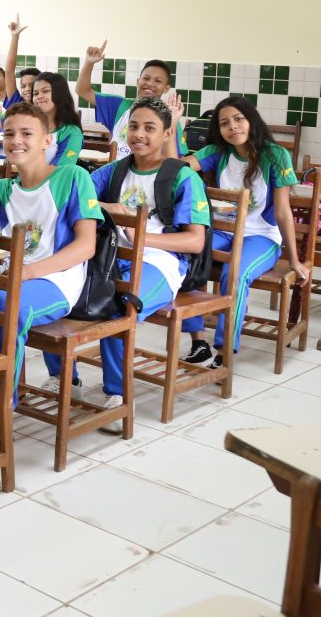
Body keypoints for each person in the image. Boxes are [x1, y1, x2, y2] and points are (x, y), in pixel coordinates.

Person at [0, 101, 101, 457]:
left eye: (27, 133)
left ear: (47, 141)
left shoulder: (73, 178)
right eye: (9, 133)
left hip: (56, 282)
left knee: (5, 306)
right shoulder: (5, 188)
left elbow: (86, 246)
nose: (16, 141)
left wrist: (27, 271)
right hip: (11, 276)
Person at [88, 97, 210, 431]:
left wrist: (141, 238)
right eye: (134, 126)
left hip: (162, 262)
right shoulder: (116, 170)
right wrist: (111, 208)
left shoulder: (182, 177)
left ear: (168, 132)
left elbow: (194, 241)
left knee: (119, 309)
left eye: (149, 128)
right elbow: (80, 194)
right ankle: (63, 377)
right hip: (114, 257)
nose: (139, 134)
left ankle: (117, 397)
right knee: (70, 293)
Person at [179, 95, 307, 366]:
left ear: (251, 121)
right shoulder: (217, 152)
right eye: (225, 123)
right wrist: (172, 125)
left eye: (239, 119)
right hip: (224, 232)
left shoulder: (275, 155)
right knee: (189, 260)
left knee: (233, 274)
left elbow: (283, 211)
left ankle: (224, 351)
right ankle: (198, 341)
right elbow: (178, 165)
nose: (233, 127)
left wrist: (294, 259)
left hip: (262, 236)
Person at [76, 41, 187, 156]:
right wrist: (89, 63)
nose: (150, 84)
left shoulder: (170, 119)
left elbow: (174, 161)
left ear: (166, 88)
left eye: (158, 81)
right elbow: (82, 91)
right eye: (146, 78)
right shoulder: (118, 105)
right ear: (138, 82)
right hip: (114, 171)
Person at [30, 72, 86, 166]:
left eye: (45, 91)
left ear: (60, 94)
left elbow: (60, 171)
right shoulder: (29, 126)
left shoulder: (71, 133)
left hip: (52, 180)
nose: (39, 96)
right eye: (35, 93)